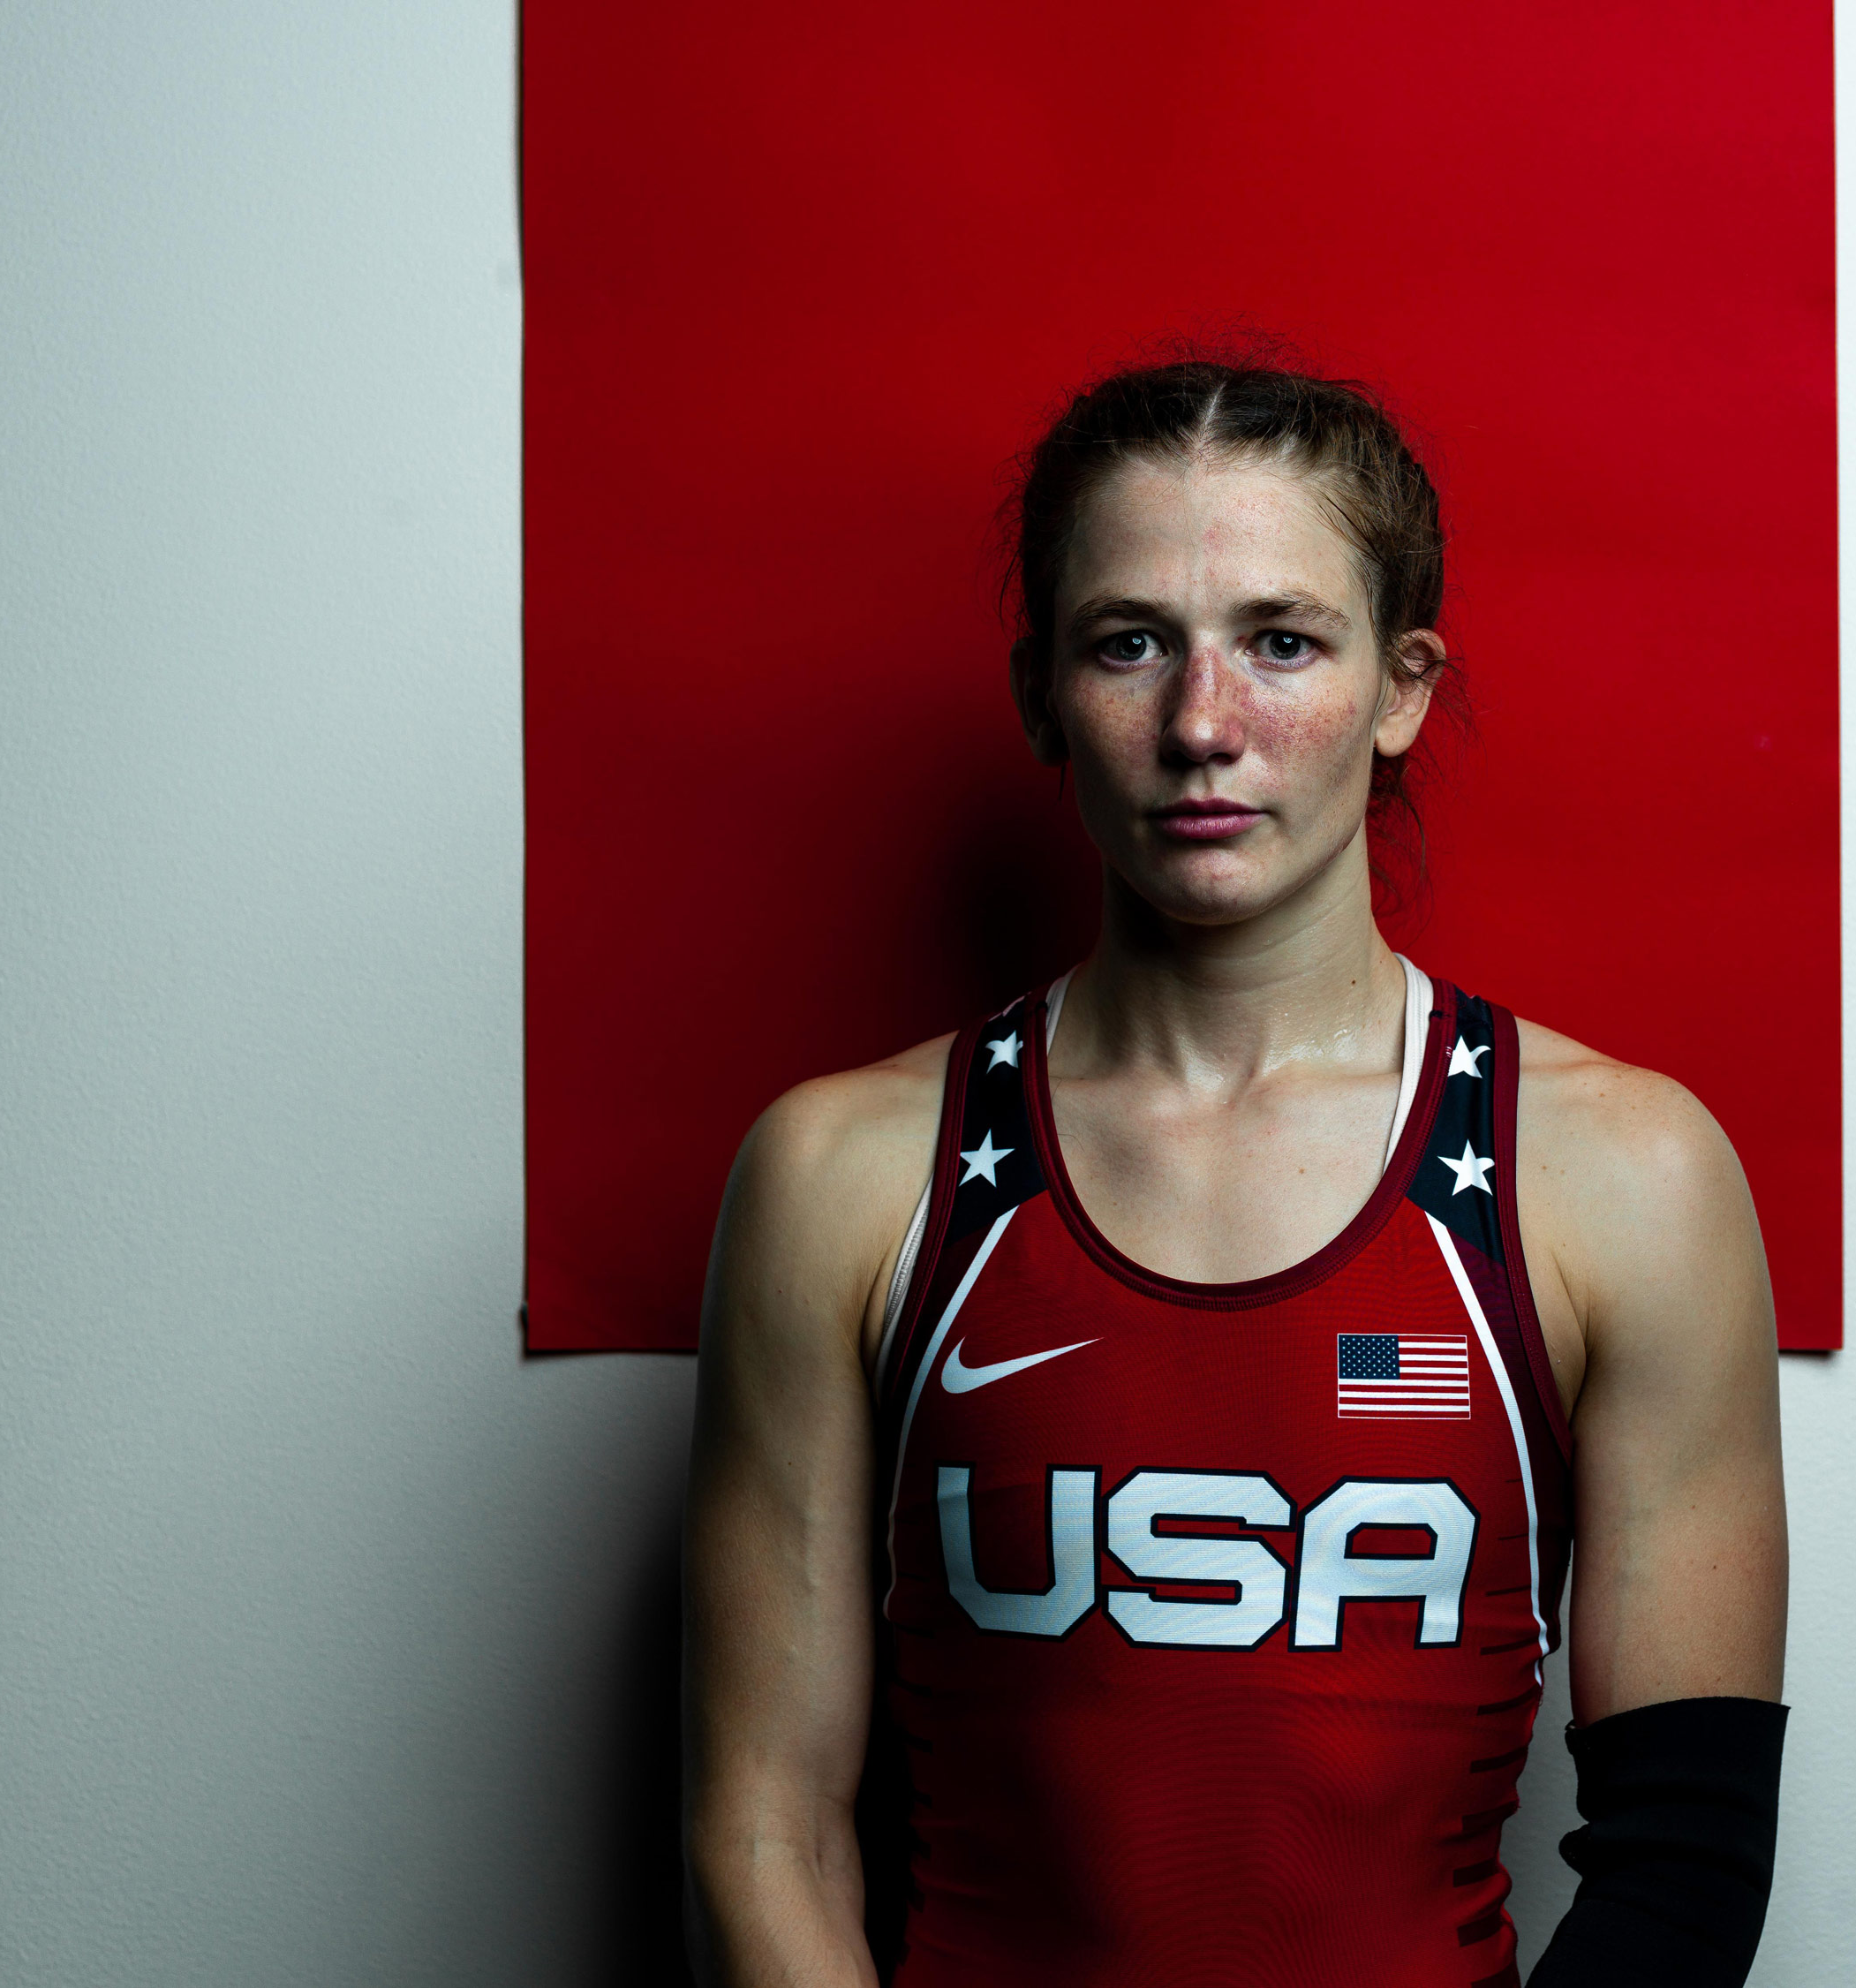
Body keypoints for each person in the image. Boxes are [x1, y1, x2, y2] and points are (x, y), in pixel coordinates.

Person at [683, 359, 1789, 1987]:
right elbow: (764, 1823)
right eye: (1130, 642)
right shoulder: (845, 1177)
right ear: (1041, 693)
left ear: (1402, 686)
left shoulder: (1624, 1174)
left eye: (1282, 641)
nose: (1204, 726)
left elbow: (1680, 1871)